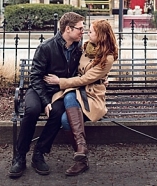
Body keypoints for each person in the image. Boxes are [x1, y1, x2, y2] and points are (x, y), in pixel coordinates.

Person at [9, 11, 84, 179]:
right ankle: (20, 157)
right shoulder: (46, 47)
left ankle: (39, 154)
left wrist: (103, 79)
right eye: (79, 28)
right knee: (32, 111)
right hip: (38, 90)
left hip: (60, 92)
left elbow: (92, 67)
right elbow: (35, 77)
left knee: (58, 112)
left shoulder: (79, 49)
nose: (82, 31)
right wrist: (44, 102)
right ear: (68, 29)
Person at [43, 19, 119, 176]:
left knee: (65, 119)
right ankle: (82, 151)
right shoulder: (86, 48)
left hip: (91, 95)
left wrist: (60, 82)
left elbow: (86, 79)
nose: (87, 33)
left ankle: (81, 158)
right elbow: (76, 70)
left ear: (101, 36)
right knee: (70, 95)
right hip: (76, 90)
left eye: (91, 31)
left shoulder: (108, 57)